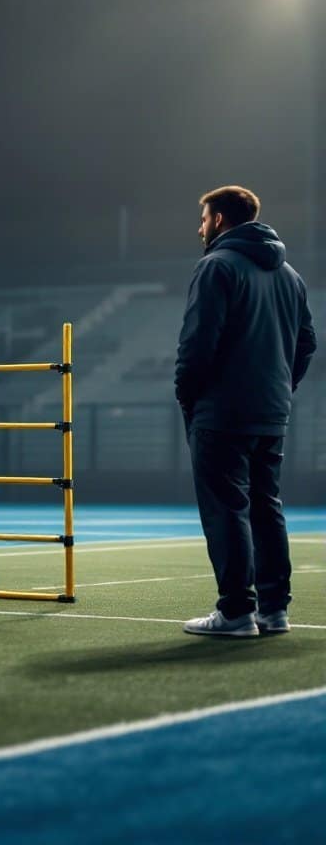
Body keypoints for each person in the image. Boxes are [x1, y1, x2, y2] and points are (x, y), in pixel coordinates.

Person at [175, 185, 317, 637]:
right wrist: (281, 388)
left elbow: (198, 344)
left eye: (202, 219)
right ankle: (273, 610)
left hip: (222, 411)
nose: (199, 227)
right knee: (265, 506)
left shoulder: (216, 266)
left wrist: (188, 394)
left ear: (218, 219)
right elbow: (307, 343)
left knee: (227, 509)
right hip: (270, 410)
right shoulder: (290, 275)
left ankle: (236, 611)